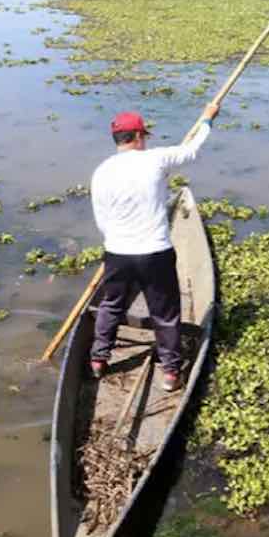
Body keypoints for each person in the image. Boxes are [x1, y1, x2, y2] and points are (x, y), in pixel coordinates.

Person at [88, 104, 220, 391]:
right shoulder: (156, 159)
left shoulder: (101, 172)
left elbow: (102, 219)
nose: (145, 139)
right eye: (143, 135)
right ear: (137, 135)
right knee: (165, 313)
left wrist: (116, 244)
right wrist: (207, 119)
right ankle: (171, 372)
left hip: (117, 254)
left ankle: (99, 360)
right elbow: (193, 149)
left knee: (111, 304)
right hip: (154, 253)